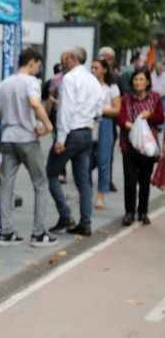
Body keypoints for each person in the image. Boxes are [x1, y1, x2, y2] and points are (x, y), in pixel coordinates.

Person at [0, 48, 56, 247]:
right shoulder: (31, 82)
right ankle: (39, 233)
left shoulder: (4, 83)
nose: (38, 69)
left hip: (8, 137)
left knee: (6, 184)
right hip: (27, 137)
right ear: (31, 62)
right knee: (40, 183)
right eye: (38, 65)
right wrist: (48, 125)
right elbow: (34, 103)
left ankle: (6, 231)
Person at [47, 47, 103, 237]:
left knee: (51, 172)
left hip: (71, 133)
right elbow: (99, 109)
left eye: (64, 58)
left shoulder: (70, 78)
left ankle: (66, 215)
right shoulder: (93, 79)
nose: (61, 61)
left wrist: (61, 138)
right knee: (83, 180)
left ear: (71, 58)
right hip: (86, 132)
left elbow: (65, 110)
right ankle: (85, 222)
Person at [117, 67, 164, 226]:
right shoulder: (126, 99)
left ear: (148, 82)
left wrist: (148, 115)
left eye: (141, 79)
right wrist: (133, 126)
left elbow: (160, 118)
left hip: (148, 147)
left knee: (144, 181)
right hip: (129, 145)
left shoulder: (155, 98)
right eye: (136, 79)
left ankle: (143, 212)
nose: (138, 82)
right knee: (129, 181)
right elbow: (121, 119)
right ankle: (129, 212)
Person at [91, 59, 121, 209]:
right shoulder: (88, 85)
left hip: (105, 124)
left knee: (104, 160)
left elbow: (117, 109)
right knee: (86, 160)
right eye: (91, 67)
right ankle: (85, 192)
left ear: (104, 70)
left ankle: (101, 195)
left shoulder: (111, 87)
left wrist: (99, 110)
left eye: (96, 67)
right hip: (88, 123)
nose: (93, 70)